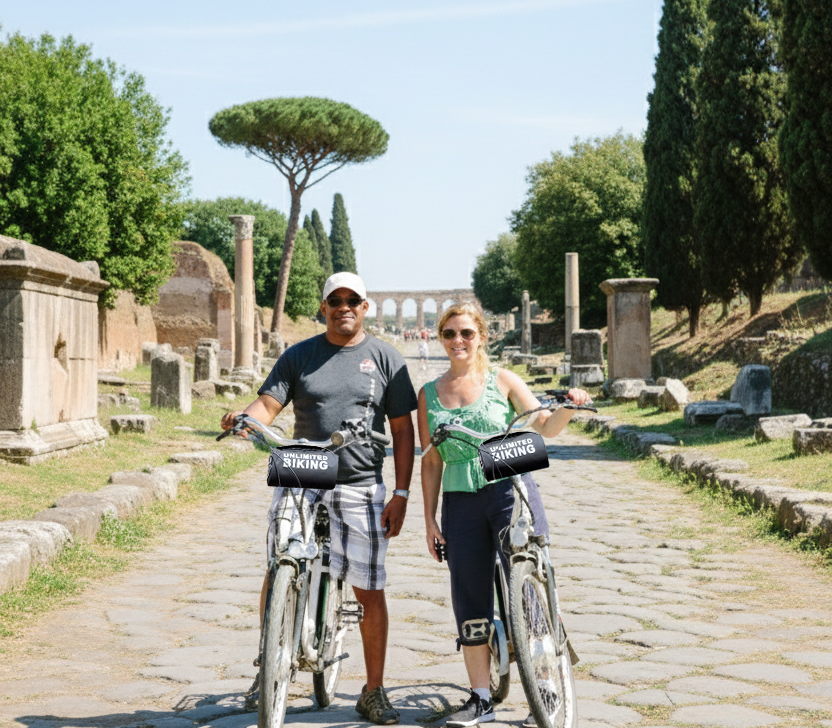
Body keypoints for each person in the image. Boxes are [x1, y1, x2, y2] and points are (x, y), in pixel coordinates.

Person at [222, 272, 417, 724]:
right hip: (302, 471)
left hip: (359, 479)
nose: (344, 306)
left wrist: (402, 493)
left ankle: (373, 689)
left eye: (352, 300)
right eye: (336, 300)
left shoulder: (386, 357)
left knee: (369, 587)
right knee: (280, 562)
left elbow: (403, 430)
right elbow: (268, 404)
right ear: (324, 306)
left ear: (364, 307)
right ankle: (268, 662)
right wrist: (244, 419)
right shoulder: (300, 355)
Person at [417, 301, 591, 727]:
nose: (458, 340)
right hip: (460, 500)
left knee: (529, 590)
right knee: (469, 597)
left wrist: (570, 405)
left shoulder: (503, 379)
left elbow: (544, 425)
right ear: (441, 339)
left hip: (509, 489)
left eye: (466, 333)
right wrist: (429, 519)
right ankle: (480, 697)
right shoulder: (428, 394)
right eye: (449, 334)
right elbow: (432, 460)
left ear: (481, 336)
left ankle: (546, 686)